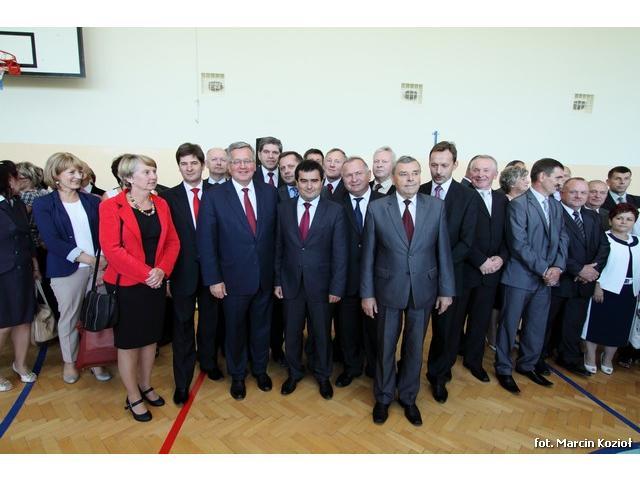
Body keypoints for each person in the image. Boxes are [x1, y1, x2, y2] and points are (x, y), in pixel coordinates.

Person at [361, 155, 455, 426]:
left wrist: (446, 290)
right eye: (403, 174)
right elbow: (368, 255)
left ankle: (409, 397)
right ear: (394, 178)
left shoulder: (436, 206)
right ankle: (383, 397)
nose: (410, 178)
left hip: (423, 289)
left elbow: (443, 251)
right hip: (387, 289)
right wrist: (367, 294)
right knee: (385, 346)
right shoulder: (377, 208)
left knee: (414, 348)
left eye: (415, 173)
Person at [99, 154, 179, 421]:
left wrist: (162, 270)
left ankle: (145, 385)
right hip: (127, 285)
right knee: (129, 343)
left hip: (155, 283)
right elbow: (113, 250)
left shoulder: (161, 204)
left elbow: (173, 242)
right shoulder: (111, 206)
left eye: (154, 171)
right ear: (128, 177)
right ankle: (133, 395)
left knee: (150, 340)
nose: (153, 176)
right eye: (146, 172)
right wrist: (147, 274)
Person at [197, 141, 278, 400]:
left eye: (247, 161)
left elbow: (277, 238)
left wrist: (277, 277)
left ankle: (260, 370)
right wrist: (213, 279)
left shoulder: (270, 193)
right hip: (231, 280)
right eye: (237, 162)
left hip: (264, 278)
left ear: (254, 165)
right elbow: (206, 242)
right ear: (229, 167)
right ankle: (238, 375)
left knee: (261, 328)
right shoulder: (214, 196)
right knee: (234, 331)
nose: (243, 166)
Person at [32, 152, 111, 385]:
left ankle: (95, 359)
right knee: (69, 317)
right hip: (66, 269)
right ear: (56, 175)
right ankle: (70, 361)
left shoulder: (92, 201)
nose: (78, 176)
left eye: (80, 171)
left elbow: (105, 234)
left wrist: (102, 261)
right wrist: (88, 259)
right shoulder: (44, 204)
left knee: (95, 315)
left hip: (98, 267)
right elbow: (51, 240)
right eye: (72, 172)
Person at [494, 158, 569, 394]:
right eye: (558, 177)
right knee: (508, 326)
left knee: (536, 326)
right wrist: (545, 270)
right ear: (542, 177)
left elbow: (563, 238)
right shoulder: (518, 205)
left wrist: (558, 268)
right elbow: (518, 244)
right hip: (519, 277)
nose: (561, 182)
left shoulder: (555, 206)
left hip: (546, 280)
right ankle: (503, 368)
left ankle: (527, 365)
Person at [274, 160, 347, 399]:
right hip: (290, 283)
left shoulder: (335, 210)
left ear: (322, 181)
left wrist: (337, 287)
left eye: (314, 180)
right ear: (296, 182)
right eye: (303, 181)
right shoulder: (283, 208)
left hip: (322, 286)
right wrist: (277, 281)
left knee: (321, 334)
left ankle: (323, 375)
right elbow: (278, 247)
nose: (309, 186)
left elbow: (340, 253)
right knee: (292, 333)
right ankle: (294, 372)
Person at [160, 143, 223, 406]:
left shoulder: (219, 193)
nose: (189, 168)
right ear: (179, 167)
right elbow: (163, 239)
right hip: (181, 272)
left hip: (212, 272)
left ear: (202, 165)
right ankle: (182, 381)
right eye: (184, 164)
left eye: (193, 163)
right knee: (183, 326)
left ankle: (208, 362)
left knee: (210, 322)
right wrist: (166, 276)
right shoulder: (167, 197)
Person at [418, 141, 478, 404]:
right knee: (415, 329)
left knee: (446, 332)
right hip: (417, 277)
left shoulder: (468, 197)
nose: (438, 170)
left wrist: (438, 265)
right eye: (434, 165)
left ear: (455, 164)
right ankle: (408, 370)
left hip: (450, 277)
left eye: (444, 165)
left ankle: (438, 376)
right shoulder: (418, 191)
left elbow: (467, 241)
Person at [537, 178, 609, 377]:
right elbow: (550, 248)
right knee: (547, 323)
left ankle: (568, 357)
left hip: (584, 283)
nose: (579, 196)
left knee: (573, 324)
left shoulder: (592, 217)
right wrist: (579, 270)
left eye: (583, 193)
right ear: (562, 193)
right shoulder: (553, 213)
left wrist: (593, 270)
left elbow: (604, 246)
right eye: (573, 192)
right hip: (560, 280)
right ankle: (538, 358)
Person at [457, 155, 509, 383]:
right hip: (466, 271)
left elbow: (508, 235)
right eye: (476, 170)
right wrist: (480, 261)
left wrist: (501, 258)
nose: (480, 174)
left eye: (486, 170)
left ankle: (473, 361)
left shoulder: (502, 200)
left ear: (495, 174)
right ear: (469, 173)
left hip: (491, 274)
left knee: (480, 321)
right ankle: (447, 361)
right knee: (455, 322)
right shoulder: (461, 196)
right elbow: (458, 235)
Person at [335, 156, 384, 386]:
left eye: (358, 174)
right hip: (346, 279)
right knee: (347, 329)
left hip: (378, 281)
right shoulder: (334, 203)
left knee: (376, 330)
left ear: (369, 175)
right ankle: (351, 367)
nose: (353, 179)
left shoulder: (386, 202)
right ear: (342, 179)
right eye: (348, 175)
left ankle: (375, 368)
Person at [582, 203, 640, 375]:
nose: (624, 222)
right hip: (605, 290)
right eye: (619, 218)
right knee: (596, 324)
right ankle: (590, 356)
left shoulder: (637, 242)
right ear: (610, 220)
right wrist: (597, 285)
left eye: (629, 219)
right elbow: (596, 265)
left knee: (619, 326)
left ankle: (607, 358)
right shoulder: (604, 239)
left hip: (629, 292)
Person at [0, 160, 39, 392]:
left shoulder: (18, 204)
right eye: (17, 176)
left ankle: (21, 364)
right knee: (3, 324)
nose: (21, 181)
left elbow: (27, 238)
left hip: (22, 270)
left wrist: (34, 264)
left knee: (24, 320)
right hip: (3, 273)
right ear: (7, 180)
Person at [271, 150, 302, 367]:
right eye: (282, 168)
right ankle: (278, 351)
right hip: (286, 269)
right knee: (283, 318)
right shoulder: (275, 195)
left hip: (313, 271)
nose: (287, 171)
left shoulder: (321, 193)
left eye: (291, 166)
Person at [15, 162, 58, 317]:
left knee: (39, 287)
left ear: (27, 178)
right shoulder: (43, 193)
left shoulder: (27, 196)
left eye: (18, 177)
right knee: (47, 286)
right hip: (44, 244)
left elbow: (19, 221)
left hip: (33, 245)